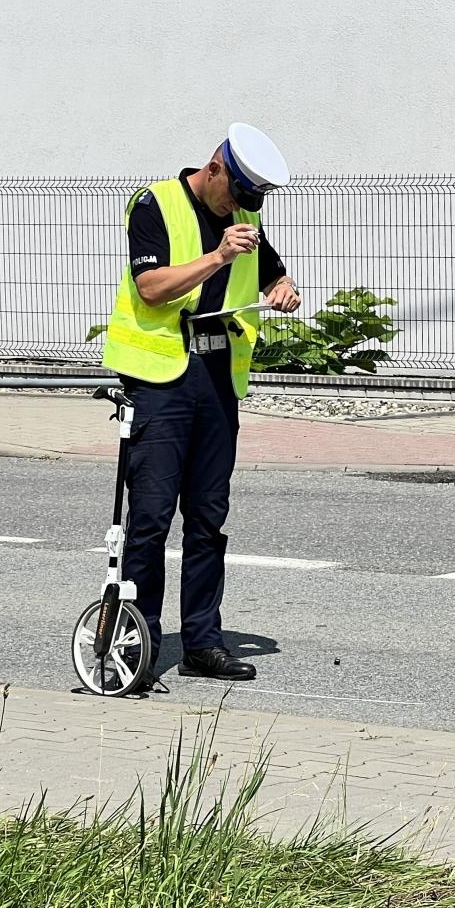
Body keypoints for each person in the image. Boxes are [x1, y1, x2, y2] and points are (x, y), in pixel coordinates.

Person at [101, 123, 301, 684]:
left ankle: (202, 645)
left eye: (250, 201)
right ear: (215, 169)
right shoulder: (155, 204)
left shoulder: (245, 217)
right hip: (160, 379)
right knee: (151, 519)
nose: (240, 207)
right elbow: (152, 288)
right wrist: (216, 257)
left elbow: (270, 271)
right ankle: (132, 643)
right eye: (235, 193)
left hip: (216, 380)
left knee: (209, 520)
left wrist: (281, 287)